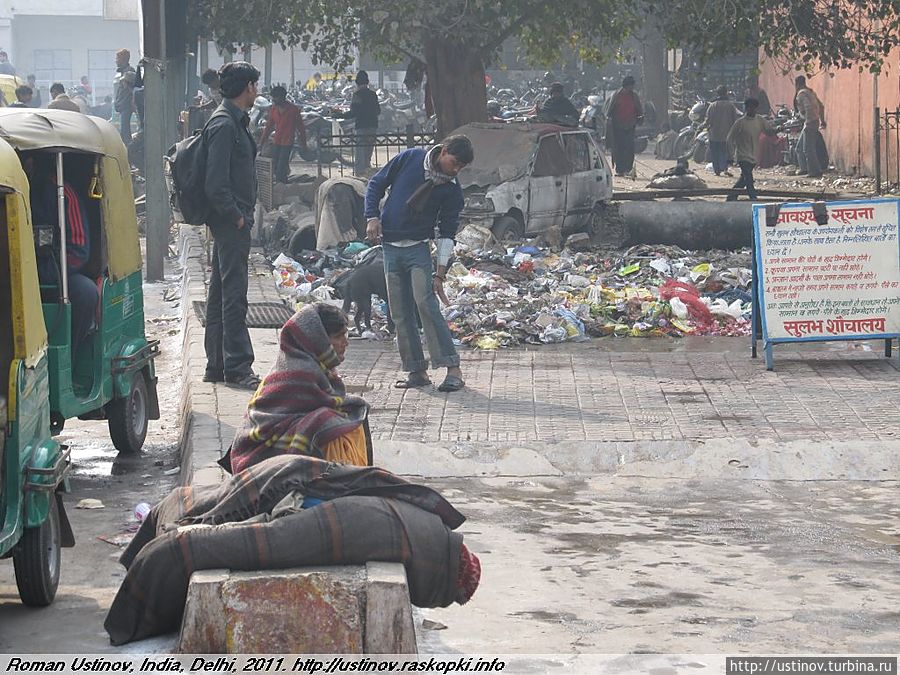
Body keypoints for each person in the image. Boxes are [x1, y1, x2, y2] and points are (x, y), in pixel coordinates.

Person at [103, 453, 481, 645]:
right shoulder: (400, 535)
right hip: (295, 479)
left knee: (194, 510)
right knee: (194, 537)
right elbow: (290, 539)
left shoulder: (420, 527)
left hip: (300, 482)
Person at [364, 135, 473, 393]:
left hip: (418, 250)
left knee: (426, 304)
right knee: (400, 312)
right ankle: (416, 370)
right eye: (454, 162)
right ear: (443, 151)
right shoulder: (410, 158)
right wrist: (372, 216)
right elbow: (376, 184)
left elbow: (447, 233)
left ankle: (453, 369)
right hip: (391, 247)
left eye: (460, 167)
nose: (455, 170)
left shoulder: (450, 189)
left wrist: (440, 274)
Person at [224, 303, 369, 473]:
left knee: (347, 415)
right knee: (330, 423)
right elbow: (326, 408)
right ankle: (335, 480)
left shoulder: (314, 366)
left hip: (278, 441)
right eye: (338, 336)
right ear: (319, 341)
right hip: (260, 456)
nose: (345, 342)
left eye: (345, 335)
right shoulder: (302, 373)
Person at [202, 61, 260, 391]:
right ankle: (238, 367)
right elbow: (216, 183)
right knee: (234, 295)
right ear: (247, 87)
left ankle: (217, 365)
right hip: (230, 223)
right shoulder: (225, 125)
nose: (257, 91)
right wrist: (237, 216)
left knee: (220, 294)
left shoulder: (232, 121)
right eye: (255, 85)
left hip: (229, 221)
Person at [22, 152, 99, 352]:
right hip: (14, 276)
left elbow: (78, 249)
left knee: (86, 292)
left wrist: (41, 274)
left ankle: (68, 358)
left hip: (51, 274)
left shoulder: (61, 193)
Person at [726, 98, 773, 201]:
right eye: (749, 107)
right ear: (746, 108)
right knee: (748, 178)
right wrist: (731, 154)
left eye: (753, 108)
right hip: (742, 155)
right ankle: (753, 197)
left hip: (753, 155)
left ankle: (731, 196)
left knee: (744, 179)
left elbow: (769, 132)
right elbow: (729, 138)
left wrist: (777, 130)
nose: (751, 110)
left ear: (756, 108)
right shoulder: (740, 123)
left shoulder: (760, 120)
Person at [260, 85, 308, 183]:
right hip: (277, 141)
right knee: (276, 166)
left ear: (282, 97)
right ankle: (282, 185)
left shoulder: (293, 110)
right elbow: (269, 126)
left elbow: (301, 128)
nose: (274, 100)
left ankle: (280, 187)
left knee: (280, 168)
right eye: (273, 98)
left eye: (276, 97)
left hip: (287, 142)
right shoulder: (273, 109)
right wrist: (262, 142)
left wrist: (303, 144)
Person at [342, 70, 380, 176]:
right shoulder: (373, 95)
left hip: (361, 126)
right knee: (368, 152)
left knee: (360, 152)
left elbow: (353, 112)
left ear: (357, 83)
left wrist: (339, 115)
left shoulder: (357, 95)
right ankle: (368, 172)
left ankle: (360, 174)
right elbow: (378, 111)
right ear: (367, 82)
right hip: (373, 125)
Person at [605, 75, 644, 176]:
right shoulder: (616, 95)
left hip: (630, 125)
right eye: (631, 86)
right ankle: (620, 169)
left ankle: (628, 169)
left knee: (630, 148)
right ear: (626, 86)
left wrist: (640, 118)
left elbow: (639, 109)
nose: (632, 88)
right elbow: (609, 112)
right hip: (618, 126)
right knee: (619, 148)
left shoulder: (634, 96)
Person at [794, 75, 827, 178]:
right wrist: (822, 120)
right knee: (799, 147)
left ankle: (814, 171)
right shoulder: (810, 92)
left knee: (808, 148)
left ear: (797, 84)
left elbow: (808, 107)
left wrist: (808, 121)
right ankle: (804, 168)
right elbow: (821, 106)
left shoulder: (801, 94)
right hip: (814, 121)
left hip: (810, 122)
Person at [705, 85, 741, 176]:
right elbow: (735, 119)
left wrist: (703, 126)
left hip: (714, 134)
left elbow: (708, 120)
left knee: (715, 153)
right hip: (727, 134)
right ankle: (724, 168)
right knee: (724, 152)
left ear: (717, 93)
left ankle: (717, 171)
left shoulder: (713, 106)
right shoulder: (731, 106)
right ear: (726, 93)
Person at [113, 48, 136, 145]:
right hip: (122, 105)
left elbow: (131, 88)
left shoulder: (129, 72)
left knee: (125, 131)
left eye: (117, 58)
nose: (116, 61)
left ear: (123, 60)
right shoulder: (121, 73)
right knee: (124, 130)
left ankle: (128, 151)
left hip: (126, 105)